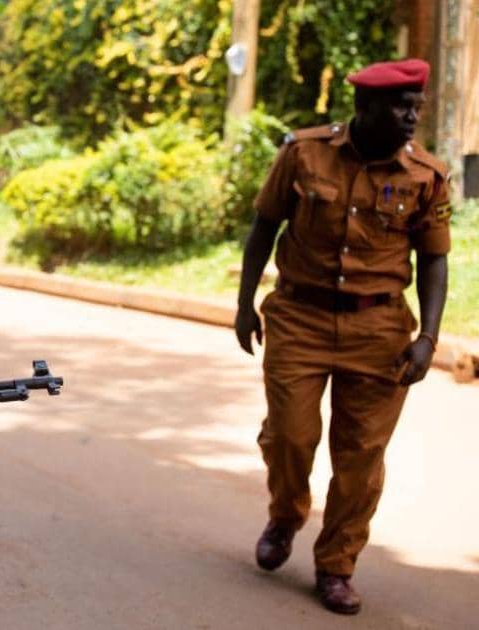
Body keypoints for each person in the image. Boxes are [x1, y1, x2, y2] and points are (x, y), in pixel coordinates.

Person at [234, 58, 451, 615]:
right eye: (402, 107)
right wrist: (243, 305)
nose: (411, 117)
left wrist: (428, 335)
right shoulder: (303, 154)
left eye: (417, 107)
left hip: (378, 330)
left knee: (360, 456)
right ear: (365, 108)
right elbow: (265, 225)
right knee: (290, 435)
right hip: (299, 318)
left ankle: (336, 565)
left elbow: (434, 259)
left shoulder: (425, 174)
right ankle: (285, 515)